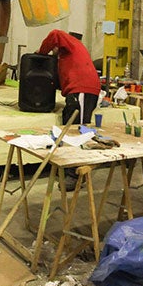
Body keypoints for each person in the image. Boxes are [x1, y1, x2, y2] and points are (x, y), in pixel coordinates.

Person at [38, 30, 100, 190]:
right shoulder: (69, 55)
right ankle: (72, 169)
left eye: (54, 49)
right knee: (70, 125)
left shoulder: (70, 43)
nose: (53, 52)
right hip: (79, 91)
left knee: (76, 132)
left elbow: (54, 33)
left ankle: (75, 175)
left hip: (82, 89)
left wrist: (41, 52)